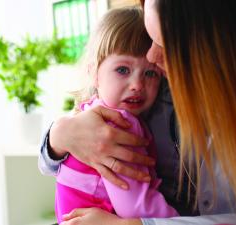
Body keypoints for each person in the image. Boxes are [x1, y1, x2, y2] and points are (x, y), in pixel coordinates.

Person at [39, 0, 236, 225]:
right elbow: (49, 162)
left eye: (164, 43)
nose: (151, 56)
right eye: (122, 69)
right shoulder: (119, 115)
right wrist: (58, 135)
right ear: (94, 72)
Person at [54, 7, 178, 223]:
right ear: (94, 73)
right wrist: (178, 220)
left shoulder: (91, 110)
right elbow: (135, 205)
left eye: (150, 73)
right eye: (122, 70)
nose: (137, 85)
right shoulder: (118, 124)